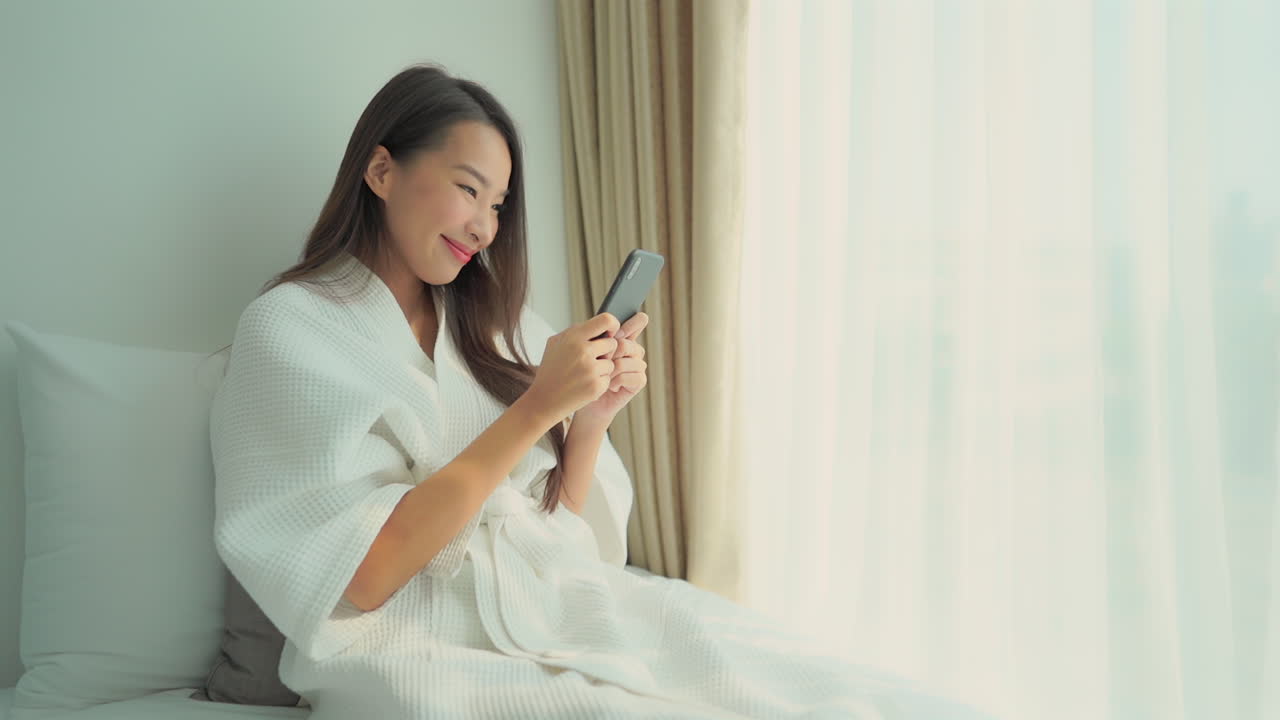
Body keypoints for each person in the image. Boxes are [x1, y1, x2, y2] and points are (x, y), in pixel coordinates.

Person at [211, 63, 996, 719]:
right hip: (418, 646)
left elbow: (560, 534)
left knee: (814, 685)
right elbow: (364, 573)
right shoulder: (289, 328)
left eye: (498, 205)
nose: (486, 226)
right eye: (467, 189)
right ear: (382, 171)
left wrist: (586, 424)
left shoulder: (494, 322)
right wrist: (535, 409)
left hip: (556, 604)